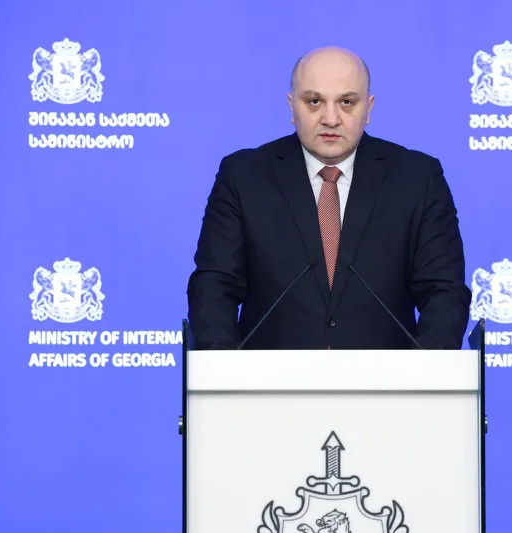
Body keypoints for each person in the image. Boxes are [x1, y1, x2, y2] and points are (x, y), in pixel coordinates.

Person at [187, 46, 471, 350]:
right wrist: (225, 370)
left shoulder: (417, 177)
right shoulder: (244, 176)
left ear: (369, 108)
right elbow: (214, 287)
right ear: (292, 107)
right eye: (314, 102)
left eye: (347, 102)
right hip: (270, 377)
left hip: (387, 378)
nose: (331, 119)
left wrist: (422, 373)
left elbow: (444, 292)